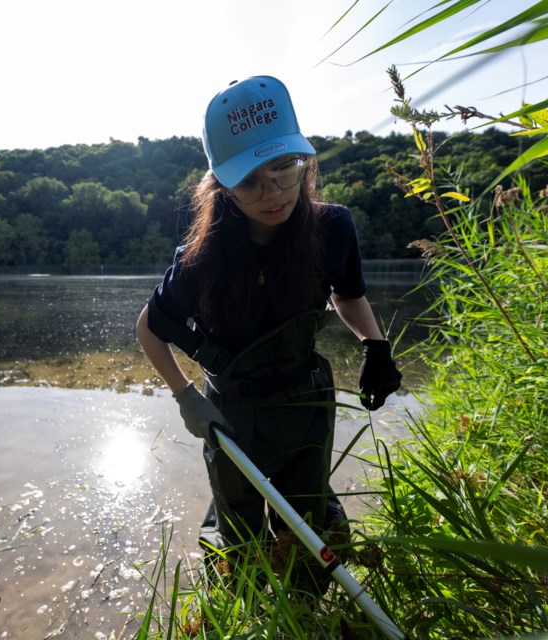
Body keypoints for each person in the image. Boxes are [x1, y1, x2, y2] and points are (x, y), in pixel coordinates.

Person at [135, 76, 402, 579]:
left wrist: (376, 346)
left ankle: (306, 603)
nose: (273, 191)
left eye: (284, 168)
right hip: (232, 410)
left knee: (307, 515)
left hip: (308, 398)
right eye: (251, 181)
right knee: (238, 528)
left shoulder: (332, 229)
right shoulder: (201, 257)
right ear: (222, 187)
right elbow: (151, 329)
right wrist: (186, 397)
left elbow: (346, 296)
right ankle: (247, 607)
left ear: (304, 162)